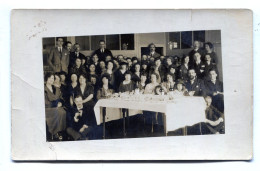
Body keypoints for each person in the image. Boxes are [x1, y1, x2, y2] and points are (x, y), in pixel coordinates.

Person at [44, 73, 67, 141]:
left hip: (57, 107)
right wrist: (55, 105)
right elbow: (44, 101)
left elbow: (61, 98)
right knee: (59, 112)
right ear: (46, 79)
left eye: (53, 78)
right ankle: (55, 132)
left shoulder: (56, 88)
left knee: (63, 112)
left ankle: (60, 131)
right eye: (50, 78)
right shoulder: (43, 89)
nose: (52, 80)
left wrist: (61, 103)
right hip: (48, 108)